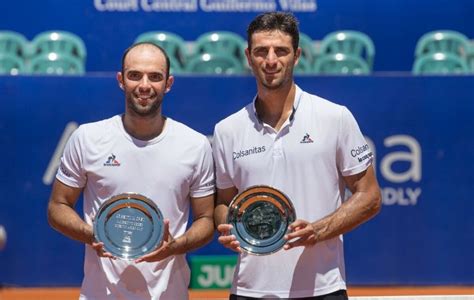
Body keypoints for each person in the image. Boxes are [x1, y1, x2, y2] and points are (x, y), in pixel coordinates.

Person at [212, 12, 382, 300]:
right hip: (249, 290)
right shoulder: (227, 129)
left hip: (322, 288)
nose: (271, 60)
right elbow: (224, 203)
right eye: (261, 51)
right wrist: (227, 227)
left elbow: (370, 196)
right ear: (248, 57)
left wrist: (317, 230)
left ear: (297, 55)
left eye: (281, 51)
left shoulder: (334, 117)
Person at [47, 42, 215, 299]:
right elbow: (57, 206)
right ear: (121, 80)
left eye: (155, 77)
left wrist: (175, 246)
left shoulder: (195, 145)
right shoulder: (87, 138)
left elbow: (206, 219)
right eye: (135, 75)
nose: (144, 85)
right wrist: (93, 234)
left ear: (168, 83)